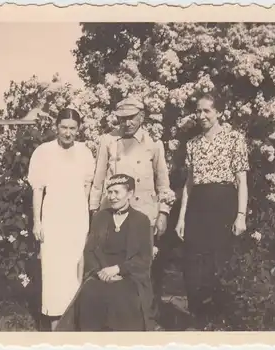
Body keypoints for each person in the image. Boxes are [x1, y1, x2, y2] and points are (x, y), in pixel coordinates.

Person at [89, 96, 174, 330]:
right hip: (115, 216)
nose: (126, 123)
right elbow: (98, 180)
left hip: (144, 215)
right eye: (122, 119)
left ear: (142, 117)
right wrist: (95, 211)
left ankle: (149, 320)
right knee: (116, 267)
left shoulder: (153, 143)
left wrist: (163, 212)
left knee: (145, 270)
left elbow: (163, 183)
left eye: (131, 118)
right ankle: (118, 320)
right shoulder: (109, 141)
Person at [175, 92, 249, 328]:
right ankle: (198, 316)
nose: (202, 115)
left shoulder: (234, 138)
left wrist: (241, 215)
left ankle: (219, 317)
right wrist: (181, 217)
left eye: (207, 110)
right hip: (198, 205)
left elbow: (242, 181)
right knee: (192, 261)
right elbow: (189, 183)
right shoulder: (193, 144)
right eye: (198, 111)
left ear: (218, 113)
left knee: (218, 260)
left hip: (223, 203)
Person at [55, 174, 154, 331]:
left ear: (130, 194)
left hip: (129, 277)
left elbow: (144, 258)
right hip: (100, 275)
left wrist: (119, 269)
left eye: (117, 192)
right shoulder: (101, 217)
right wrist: (100, 272)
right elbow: (90, 250)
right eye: (109, 192)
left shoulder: (141, 220)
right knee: (89, 294)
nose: (112, 197)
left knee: (122, 298)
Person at [27, 107, 95, 331]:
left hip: (76, 218)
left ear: (79, 129)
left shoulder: (85, 152)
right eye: (64, 127)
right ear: (56, 127)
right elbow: (38, 189)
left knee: (76, 266)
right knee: (54, 269)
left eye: (73, 128)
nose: (68, 133)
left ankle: (74, 320)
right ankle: (56, 323)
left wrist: (84, 218)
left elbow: (87, 187)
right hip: (53, 218)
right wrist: (37, 222)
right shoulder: (43, 152)